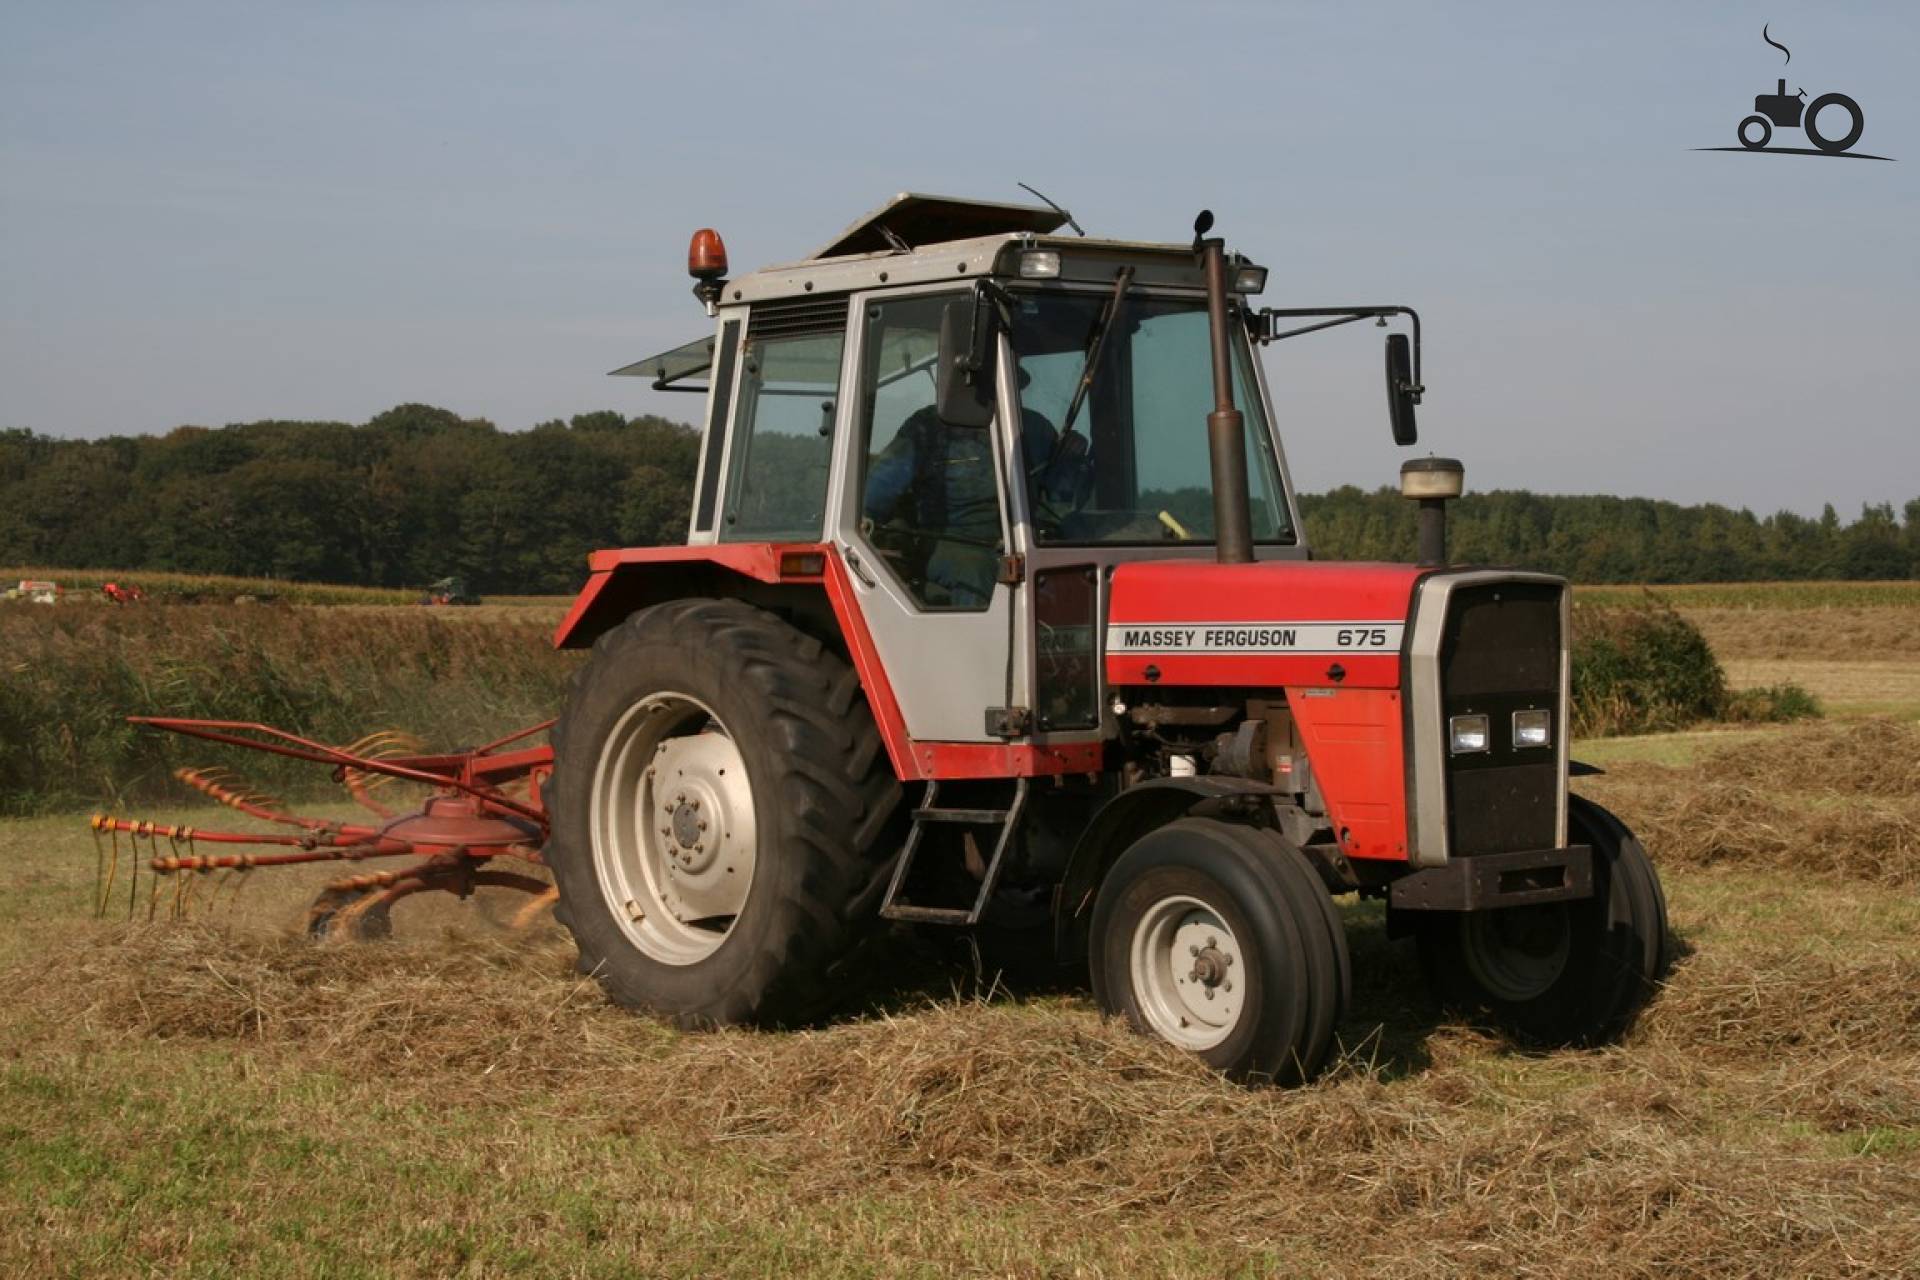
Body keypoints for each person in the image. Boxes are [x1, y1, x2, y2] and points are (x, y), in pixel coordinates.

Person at [864, 394, 1084, 607]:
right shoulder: (928, 427)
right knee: (976, 569)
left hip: (1023, 538)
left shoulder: (1035, 427)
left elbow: (1058, 497)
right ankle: (982, 644)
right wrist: (866, 519)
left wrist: (1070, 462)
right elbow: (878, 490)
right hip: (950, 539)